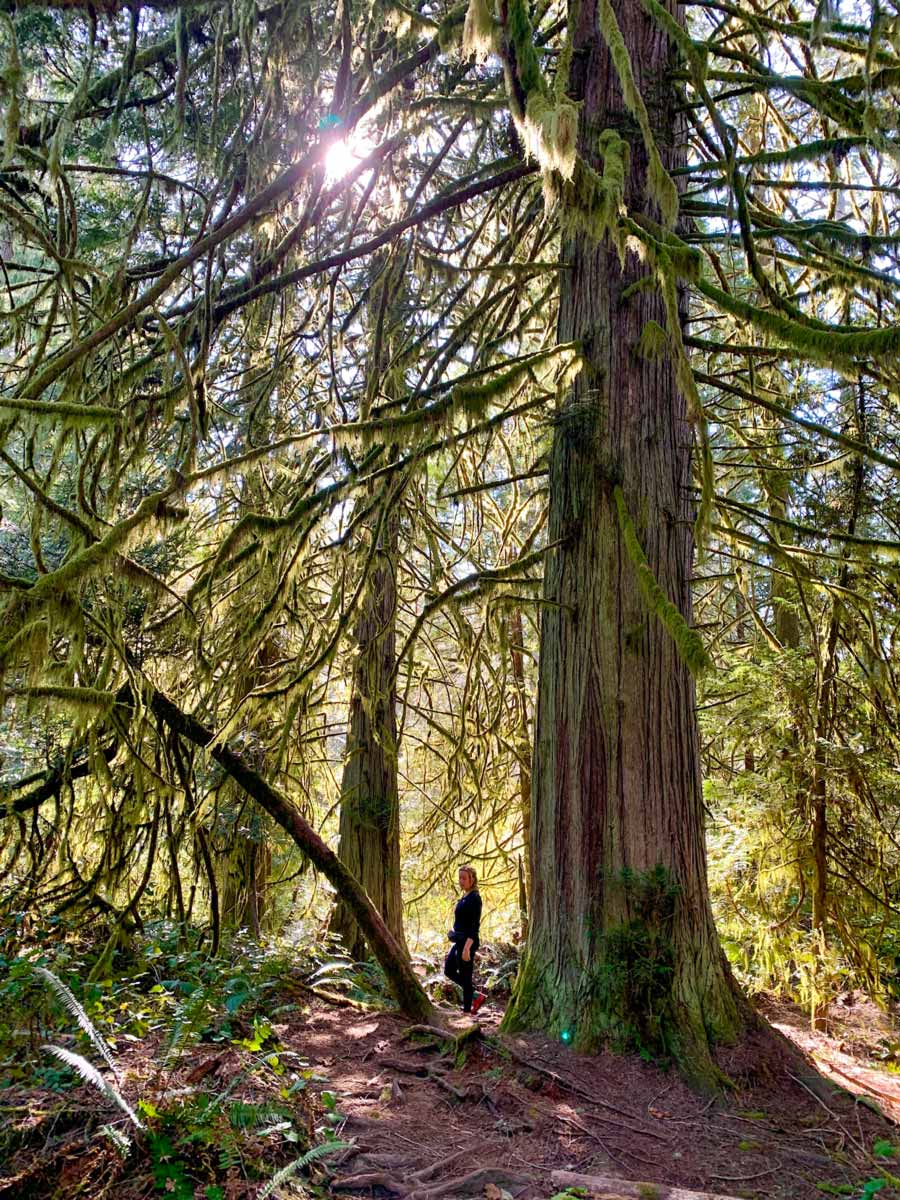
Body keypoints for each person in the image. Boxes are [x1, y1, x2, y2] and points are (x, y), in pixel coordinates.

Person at [444, 865, 486, 1014]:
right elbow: (462, 922)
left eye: (464, 878)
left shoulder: (474, 898)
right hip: (459, 941)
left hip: (468, 942)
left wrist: (467, 948)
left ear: (472, 879)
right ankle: (475, 995)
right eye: (460, 878)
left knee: (465, 976)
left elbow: (474, 926)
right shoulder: (464, 897)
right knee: (448, 969)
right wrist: (453, 933)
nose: (461, 881)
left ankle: (467, 1012)